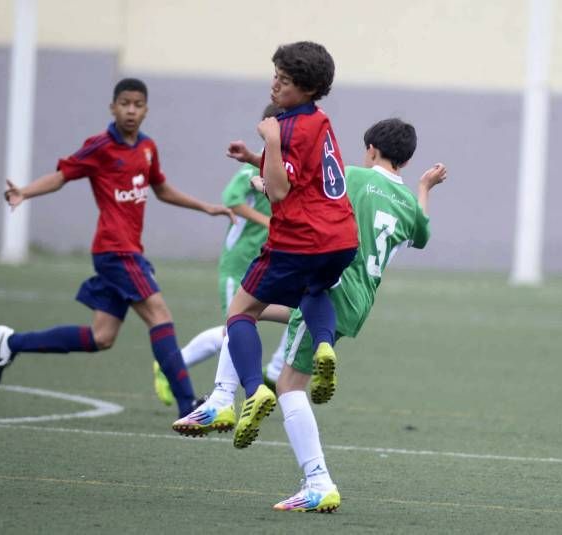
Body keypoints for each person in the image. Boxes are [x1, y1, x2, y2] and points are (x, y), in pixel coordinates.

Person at [178, 118, 448, 513]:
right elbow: (421, 232)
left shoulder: (353, 178)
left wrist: (261, 175)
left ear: (371, 148)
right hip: (359, 302)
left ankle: (317, 479)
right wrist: (424, 188)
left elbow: (300, 189)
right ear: (405, 162)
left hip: (331, 286)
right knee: (249, 310)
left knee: (288, 384)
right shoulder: (407, 203)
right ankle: (229, 393)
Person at [0, 78, 234, 419]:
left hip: (128, 250)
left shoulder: (147, 148)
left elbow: (161, 189)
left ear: (146, 109)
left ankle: (11, 343)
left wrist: (205, 207)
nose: (130, 110)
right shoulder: (99, 146)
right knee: (159, 314)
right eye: (124, 103)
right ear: (112, 107)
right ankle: (188, 404)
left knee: (101, 337)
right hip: (115, 251)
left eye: (137, 104)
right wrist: (24, 192)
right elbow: (62, 175)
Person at [174, 41, 360, 450]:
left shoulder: (287, 127)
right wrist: (254, 157)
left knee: (240, 312)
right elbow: (301, 172)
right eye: (275, 74)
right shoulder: (319, 118)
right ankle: (325, 344)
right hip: (341, 237)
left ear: (308, 89)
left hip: (300, 239)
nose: (275, 85)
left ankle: (255, 390)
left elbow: (277, 191)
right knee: (314, 290)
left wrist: (271, 140)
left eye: (286, 81)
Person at [152, 104, 289, 407]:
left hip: (267, 264)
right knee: (234, 328)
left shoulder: (285, 168)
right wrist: (269, 222)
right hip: (239, 263)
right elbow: (232, 203)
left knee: (283, 316)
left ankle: (269, 374)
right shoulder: (252, 168)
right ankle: (174, 368)